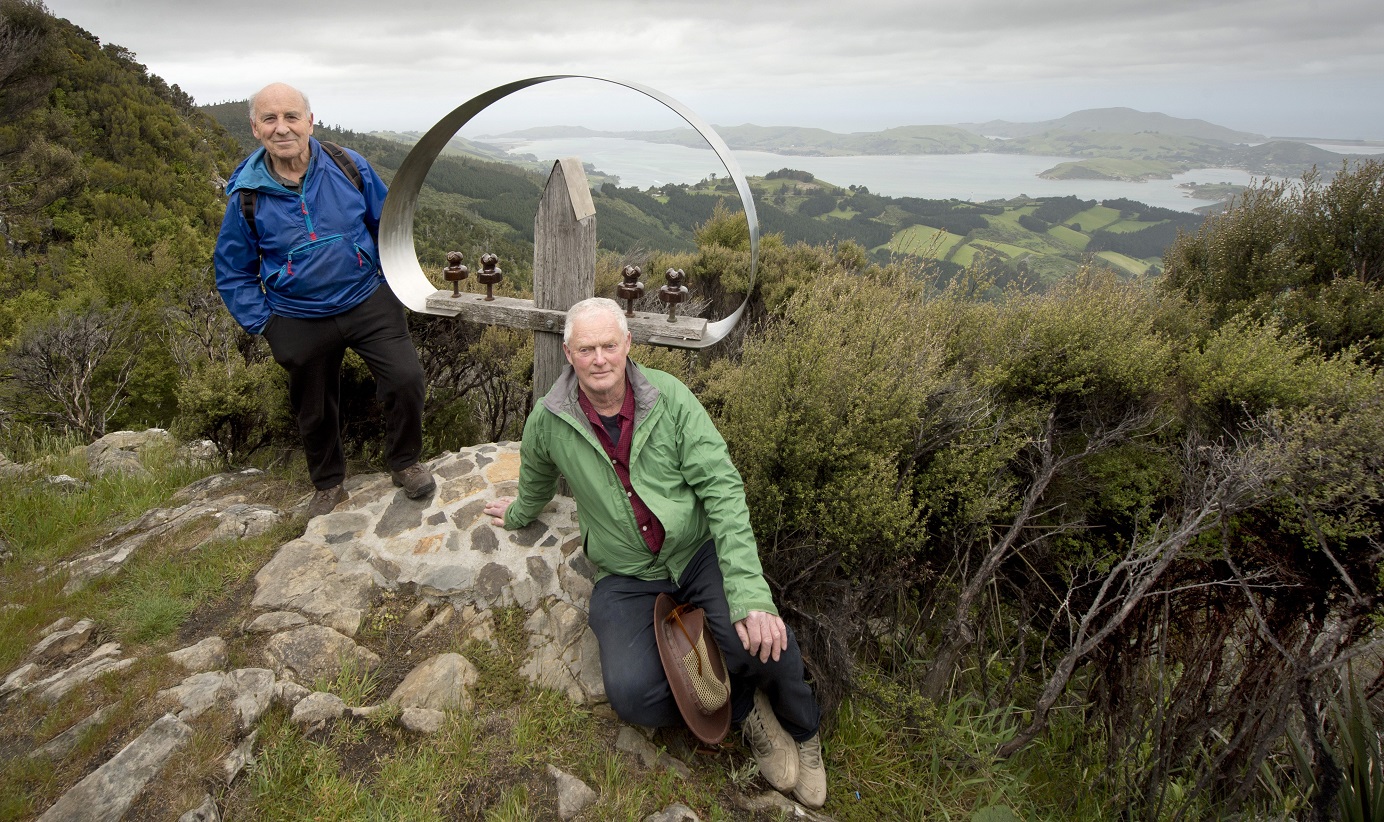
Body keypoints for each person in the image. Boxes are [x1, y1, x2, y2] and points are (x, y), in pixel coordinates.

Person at [483, 298, 827, 808]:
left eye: (608, 346)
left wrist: (752, 596)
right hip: (626, 574)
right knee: (631, 693)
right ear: (568, 353)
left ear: (627, 346)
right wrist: (516, 513)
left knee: (757, 636)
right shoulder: (549, 419)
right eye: (586, 348)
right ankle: (740, 710)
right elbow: (535, 479)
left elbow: (722, 490)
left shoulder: (671, 397)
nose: (599, 358)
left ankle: (803, 732)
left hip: (694, 551)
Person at [214, 83, 434, 517]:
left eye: (291, 117)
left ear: (310, 121)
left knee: (406, 379)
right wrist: (267, 324)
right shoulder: (247, 196)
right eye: (270, 120)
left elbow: (386, 224)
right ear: (256, 129)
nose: (283, 129)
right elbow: (232, 270)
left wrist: (394, 285)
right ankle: (329, 485)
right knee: (314, 409)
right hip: (297, 316)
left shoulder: (348, 165)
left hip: (367, 298)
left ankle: (405, 462)